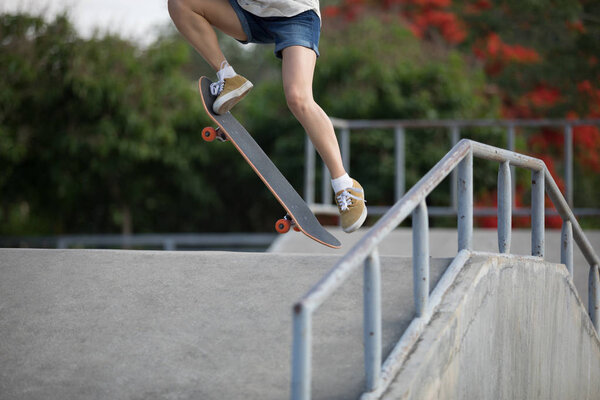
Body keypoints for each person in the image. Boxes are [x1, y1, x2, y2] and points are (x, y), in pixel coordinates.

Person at [168, 0, 367, 232]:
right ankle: (227, 76)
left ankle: (345, 185)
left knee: (298, 98)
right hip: (249, 13)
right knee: (180, 3)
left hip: (297, 15)